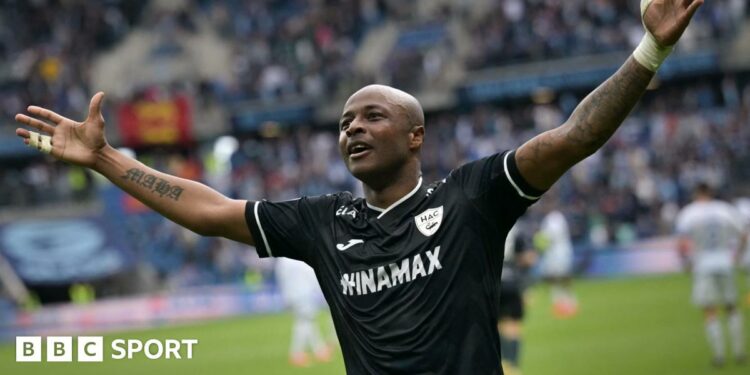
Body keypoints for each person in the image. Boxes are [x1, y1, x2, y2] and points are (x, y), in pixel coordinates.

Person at [13, 1, 704, 373]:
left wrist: (651, 52)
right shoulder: (322, 221)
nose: (352, 127)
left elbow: (575, 136)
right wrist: (106, 159)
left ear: (414, 136)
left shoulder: (469, 198)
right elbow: (208, 210)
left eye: (372, 115)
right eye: (345, 121)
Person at [675, 183, 748, 367]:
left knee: (709, 309)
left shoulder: (689, 213)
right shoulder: (725, 210)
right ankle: (739, 352)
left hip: (703, 263)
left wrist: (686, 263)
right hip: (725, 261)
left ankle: (719, 356)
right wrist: (737, 256)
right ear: (711, 193)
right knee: (731, 306)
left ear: (696, 194)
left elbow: (682, 243)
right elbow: (743, 235)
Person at [274, 257, 334, 367]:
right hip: (304, 295)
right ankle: (298, 353)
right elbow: (313, 277)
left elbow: (280, 277)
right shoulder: (300, 258)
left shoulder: (282, 260)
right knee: (305, 322)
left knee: (305, 321)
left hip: (290, 295)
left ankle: (318, 350)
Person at [498, 224, 537, 375]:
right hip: (512, 281)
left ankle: (502, 364)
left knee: (496, 324)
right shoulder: (518, 229)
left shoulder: (487, 221)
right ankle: (513, 366)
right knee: (513, 324)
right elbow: (529, 258)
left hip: (493, 282)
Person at [536, 207, 578, 318]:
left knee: (563, 276)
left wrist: (539, 239)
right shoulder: (550, 218)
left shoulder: (555, 218)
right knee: (552, 277)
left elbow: (549, 237)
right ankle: (559, 302)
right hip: (552, 253)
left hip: (559, 252)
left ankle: (569, 301)